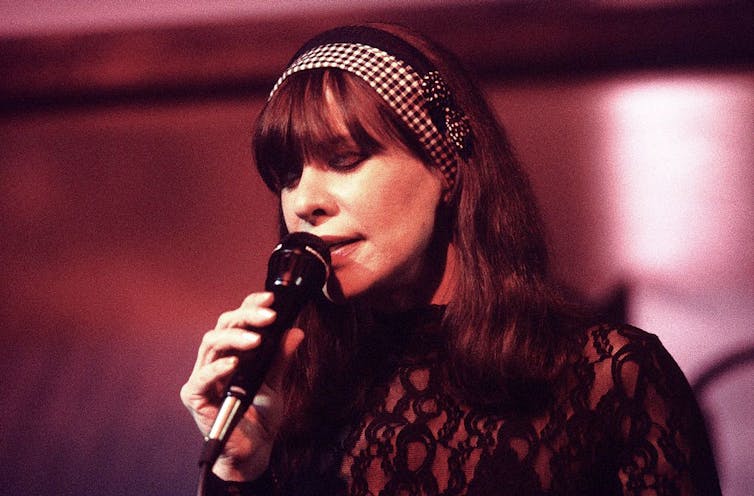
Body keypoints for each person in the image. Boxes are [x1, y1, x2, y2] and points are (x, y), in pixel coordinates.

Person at [180, 23, 721, 495]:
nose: (304, 202)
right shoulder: (293, 393)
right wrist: (241, 472)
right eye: (287, 177)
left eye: (345, 160)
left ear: (446, 168)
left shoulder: (611, 376)